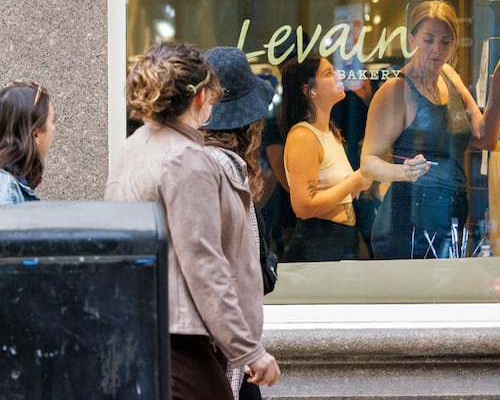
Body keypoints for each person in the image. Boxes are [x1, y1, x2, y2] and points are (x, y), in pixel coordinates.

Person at [103, 42, 280, 400]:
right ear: (199, 98)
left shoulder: (136, 145)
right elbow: (204, 263)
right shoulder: (187, 159)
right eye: (212, 97)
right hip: (178, 339)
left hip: (141, 328)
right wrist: (248, 350)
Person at [360, 0, 500, 259]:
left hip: (453, 216)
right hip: (406, 221)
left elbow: (484, 138)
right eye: (428, 40)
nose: (437, 49)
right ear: (412, 39)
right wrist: (403, 171)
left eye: (445, 42)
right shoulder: (395, 90)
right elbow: (368, 163)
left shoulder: (449, 75)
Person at [201, 46, 276, 400]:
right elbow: (220, 276)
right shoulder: (222, 175)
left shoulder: (202, 168)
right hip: (225, 354)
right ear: (251, 126)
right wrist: (250, 351)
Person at [278, 53, 372, 262]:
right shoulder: (303, 136)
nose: (338, 76)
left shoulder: (330, 132)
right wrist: (354, 182)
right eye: (329, 73)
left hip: (339, 239)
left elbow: (337, 191)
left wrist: (362, 181)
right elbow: (304, 206)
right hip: (320, 241)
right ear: (309, 90)